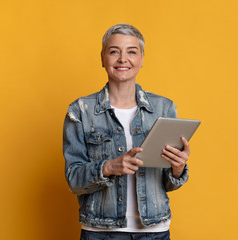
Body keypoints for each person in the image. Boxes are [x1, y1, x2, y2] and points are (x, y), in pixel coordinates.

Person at [63, 23, 191, 240]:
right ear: (103, 58)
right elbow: (73, 179)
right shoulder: (80, 111)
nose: (123, 59)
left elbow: (168, 184)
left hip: (154, 233)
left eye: (131, 52)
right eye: (114, 51)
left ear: (141, 59)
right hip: (100, 233)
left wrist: (178, 168)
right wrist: (109, 167)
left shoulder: (164, 108)